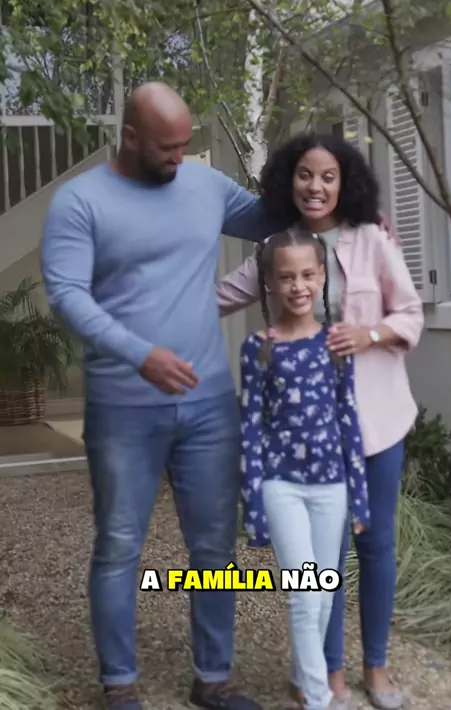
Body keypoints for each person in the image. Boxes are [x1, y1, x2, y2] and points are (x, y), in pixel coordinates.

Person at [40, 82, 284, 710]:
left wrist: (351, 209)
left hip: (209, 404)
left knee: (214, 546)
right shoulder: (80, 202)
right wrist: (139, 354)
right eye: (168, 148)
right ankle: (119, 685)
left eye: (185, 144)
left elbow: (270, 220)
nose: (180, 157)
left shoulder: (204, 186)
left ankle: (214, 679)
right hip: (122, 406)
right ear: (130, 137)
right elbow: (67, 295)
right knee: (120, 544)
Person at [216, 132, 424, 710]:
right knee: (320, 563)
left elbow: (410, 314)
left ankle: (376, 665)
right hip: (307, 440)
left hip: (376, 420)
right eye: (305, 175)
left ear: (344, 182)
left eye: (328, 176)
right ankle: (326, 672)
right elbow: (215, 298)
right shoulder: (276, 250)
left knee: (375, 545)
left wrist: (370, 334)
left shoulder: (373, 239)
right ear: (289, 181)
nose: (316, 186)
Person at [239, 228, 370, 710]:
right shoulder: (259, 347)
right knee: (305, 594)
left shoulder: (335, 343)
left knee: (325, 594)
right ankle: (317, 698)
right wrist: (253, 504)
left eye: (307, 275)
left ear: (322, 277)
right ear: (270, 283)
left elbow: (348, 417)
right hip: (282, 486)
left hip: (330, 486)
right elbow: (250, 426)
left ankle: (301, 678)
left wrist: (359, 497)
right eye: (287, 276)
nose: (298, 286)